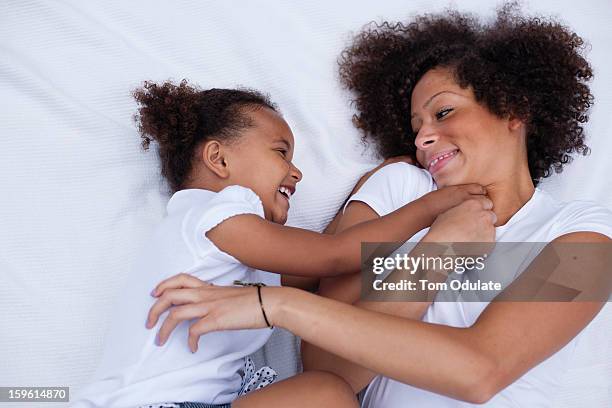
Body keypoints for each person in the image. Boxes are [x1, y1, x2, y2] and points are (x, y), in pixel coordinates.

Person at [144, 5, 612, 407]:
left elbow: (482, 370)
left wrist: (277, 304)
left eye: (444, 112)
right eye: (416, 126)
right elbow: (329, 371)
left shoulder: (586, 234)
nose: (424, 137)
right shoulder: (399, 194)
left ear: (515, 110)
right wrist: (437, 248)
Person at [71, 80, 489, 408]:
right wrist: (430, 208)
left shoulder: (232, 245)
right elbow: (331, 257)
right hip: (155, 403)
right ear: (218, 160)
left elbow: (318, 263)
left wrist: (369, 192)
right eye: (281, 152)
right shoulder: (216, 213)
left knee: (323, 394)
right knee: (324, 393)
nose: (297, 173)